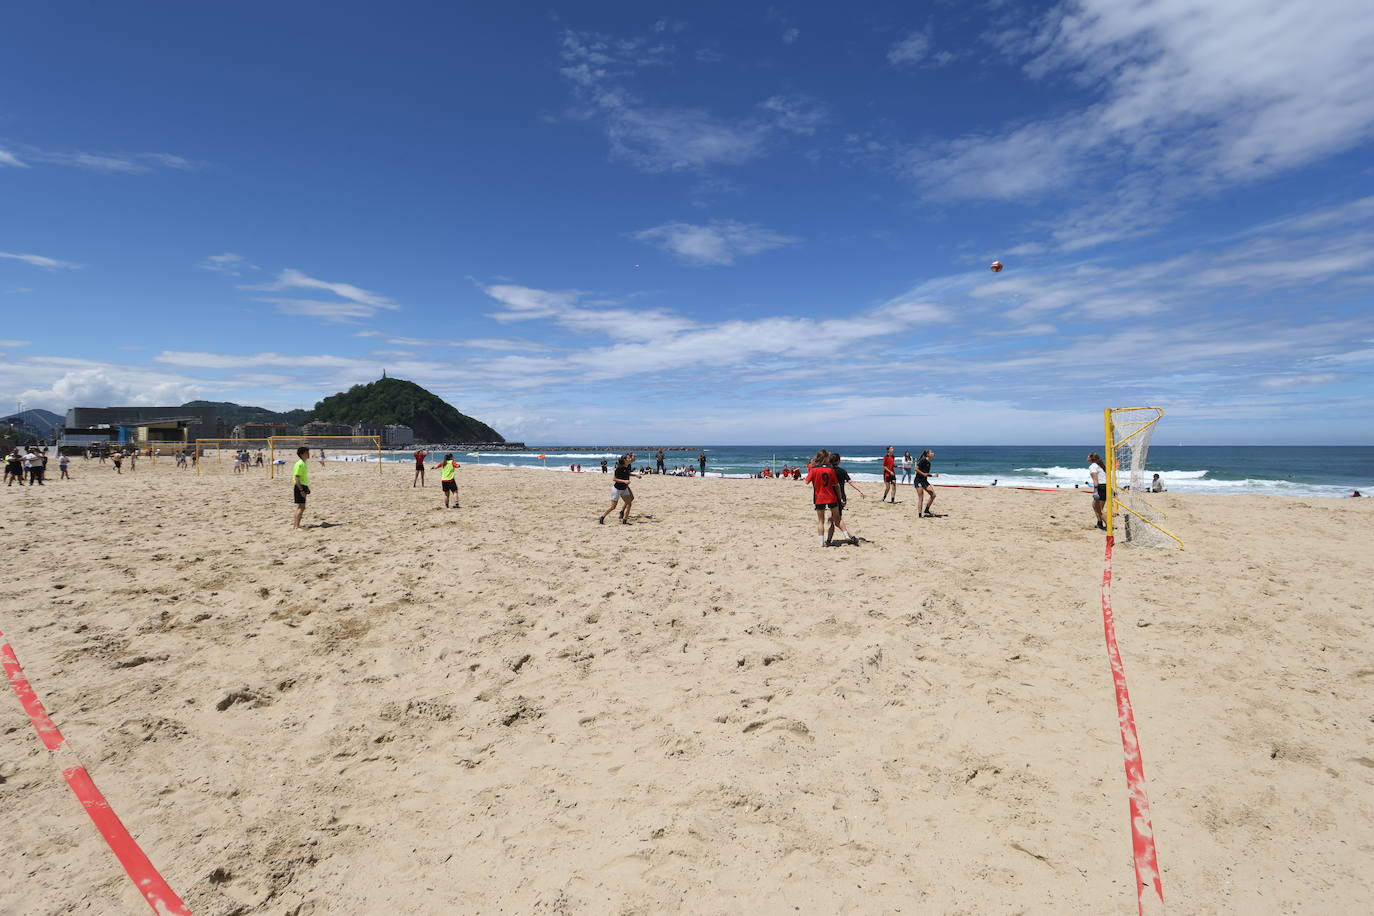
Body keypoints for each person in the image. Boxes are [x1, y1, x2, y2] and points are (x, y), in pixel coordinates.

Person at [805, 450, 842, 547]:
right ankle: (846, 536)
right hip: (830, 496)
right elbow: (836, 484)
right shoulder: (830, 470)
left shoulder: (814, 469)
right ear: (825, 458)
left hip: (819, 497)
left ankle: (821, 542)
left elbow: (806, 481)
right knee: (836, 518)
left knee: (820, 521)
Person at [826, 452, 865, 545]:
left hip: (831, 497)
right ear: (838, 461)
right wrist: (860, 490)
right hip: (841, 497)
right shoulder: (842, 471)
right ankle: (829, 540)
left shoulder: (828, 471)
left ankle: (851, 536)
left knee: (836, 520)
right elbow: (850, 482)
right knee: (832, 519)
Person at [600, 453, 642, 524]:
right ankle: (602, 517)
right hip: (617, 489)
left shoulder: (626, 467)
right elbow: (614, 479)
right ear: (625, 460)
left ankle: (624, 520)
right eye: (629, 458)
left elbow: (627, 473)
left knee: (629, 503)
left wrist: (635, 475)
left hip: (624, 489)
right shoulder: (619, 468)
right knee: (613, 507)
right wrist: (624, 481)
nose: (630, 459)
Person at [914, 449, 940, 517]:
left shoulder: (929, 462)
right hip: (918, 481)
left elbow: (926, 473)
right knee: (921, 497)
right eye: (931, 452)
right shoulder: (923, 460)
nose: (933, 453)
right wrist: (923, 474)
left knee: (933, 495)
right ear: (927, 454)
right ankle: (920, 515)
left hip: (924, 481)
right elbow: (916, 469)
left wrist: (933, 475)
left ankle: (926, 510)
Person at [292, 446, 311, 529]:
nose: (308, 454)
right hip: (299, 486)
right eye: (307, 453)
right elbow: (297, 478)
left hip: (303, 486)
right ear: (302, 454)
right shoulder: (300, 464)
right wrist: (301, 490)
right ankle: (296, 526)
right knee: (301, 507)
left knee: (301, 507)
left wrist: (307, 488)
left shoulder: (303, 463)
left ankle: (296, 525)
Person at [1088, 452, 1108, 531]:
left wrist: (1095, 491)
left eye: (1088, 456)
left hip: (1101, 487)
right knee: (1094, 506)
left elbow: (1095, 479)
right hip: (1105, 486)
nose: (1087, 457)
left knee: (1099, 510)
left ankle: (1109, 526)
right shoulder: (1100, 465)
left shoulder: (1093, 466)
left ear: (1091, 458)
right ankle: (1099, 523)